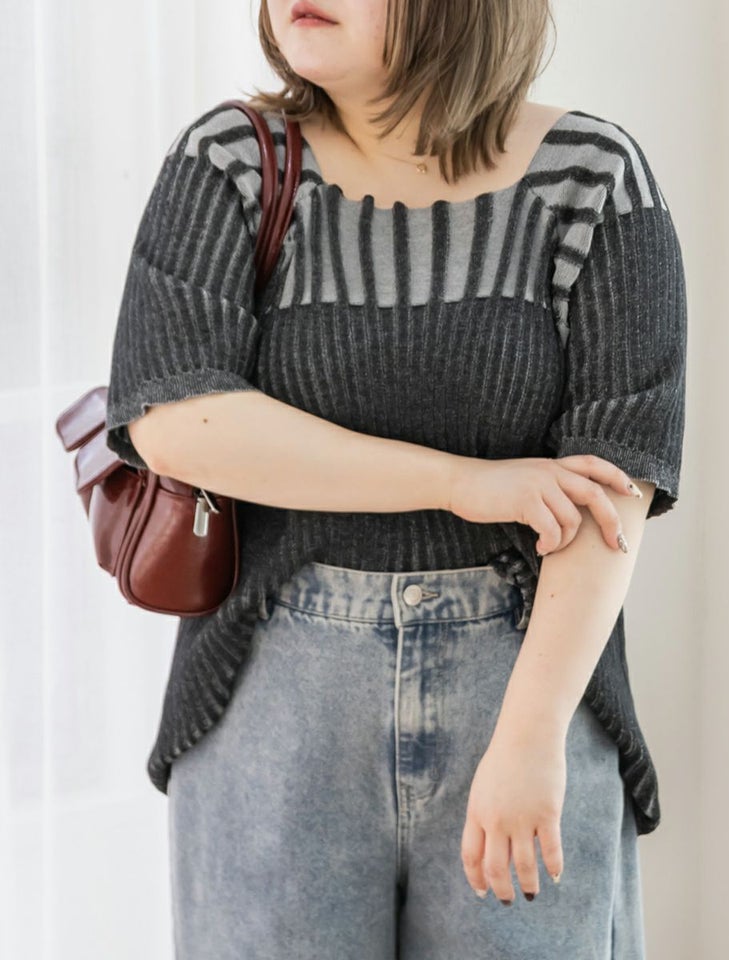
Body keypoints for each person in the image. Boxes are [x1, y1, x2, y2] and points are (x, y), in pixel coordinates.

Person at [104, 0, 688, 956]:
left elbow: (615, 484)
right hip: (271, 704)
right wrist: (462, 482)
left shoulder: (594, 177)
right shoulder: (231, 160)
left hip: (526, 685)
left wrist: (531, 733)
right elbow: (174, 420)